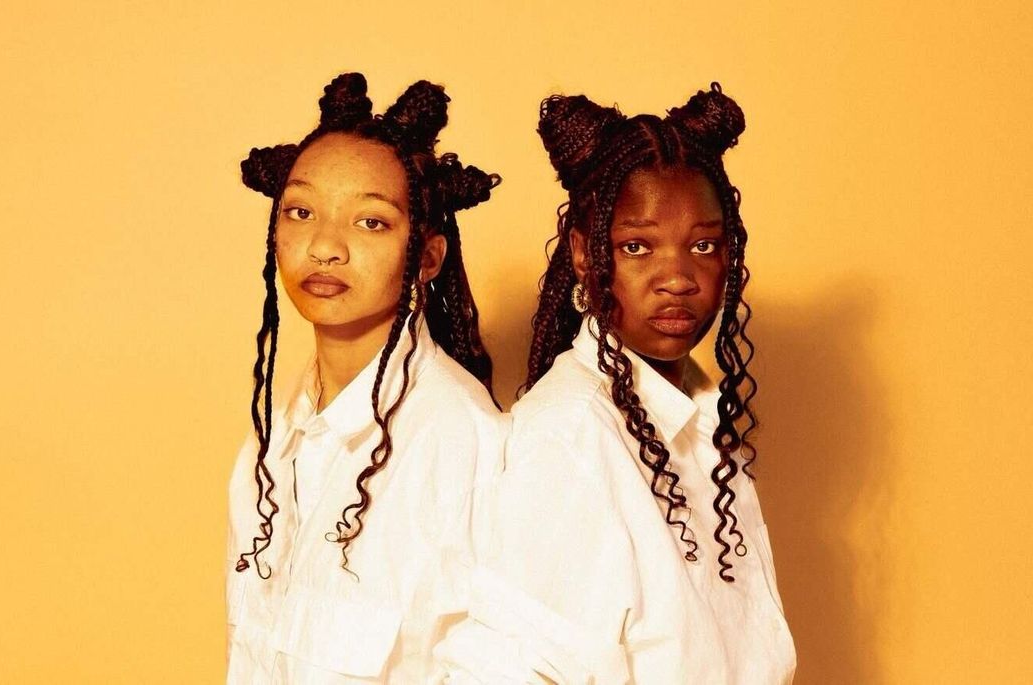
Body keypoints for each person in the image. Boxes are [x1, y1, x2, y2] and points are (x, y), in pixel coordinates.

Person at [437, 84, 795, 684]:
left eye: (703, 245)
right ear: (584, 253)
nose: (677, 278)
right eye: (637, 247)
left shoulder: (700, 422)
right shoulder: (569, 438)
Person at [226, 72, 505, 683]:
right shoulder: (274, 438)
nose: (325, 246)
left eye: (370, 222)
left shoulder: (463, 440)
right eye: (301, 212)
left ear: (427, 257)